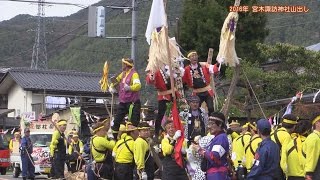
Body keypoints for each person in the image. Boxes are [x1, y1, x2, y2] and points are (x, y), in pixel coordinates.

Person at [146, 65, 181, 139]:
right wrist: (151, 76)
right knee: (160, 114)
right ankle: (157, 132)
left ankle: (178, 128)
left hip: (174, 94)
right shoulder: (156, 70)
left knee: (177, 112)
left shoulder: (170, 67)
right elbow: (149, 80)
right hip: (163, 95)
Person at [109, 58, 142, 138]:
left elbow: (138, 86)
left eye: (123, 64)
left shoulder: (134, 74)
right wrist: (111, 87)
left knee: (133, 122)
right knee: (116, 121)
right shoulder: (123, 73)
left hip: (133, 103)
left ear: (127, 65)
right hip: (123, 102)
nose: (122, 65)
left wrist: (130, 88)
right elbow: (115, 81)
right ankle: (114, 137)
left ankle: (134, 138)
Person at [194, 112, 230, 180]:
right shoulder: (216, 138)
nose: (209, 127)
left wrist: (201, 150)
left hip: (217, 175)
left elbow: (215, 157)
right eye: (209, 124)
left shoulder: (221, 138)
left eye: (212, 124)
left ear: (220, 124)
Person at [303, 114, 320, 180]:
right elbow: (311, 157)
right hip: (315, 173)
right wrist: (308, 173)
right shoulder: (314, 138)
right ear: (317, 123)